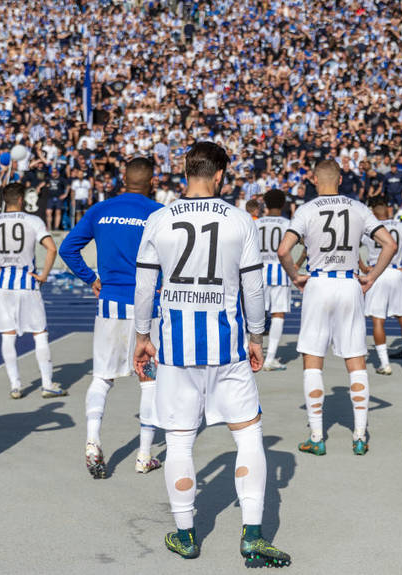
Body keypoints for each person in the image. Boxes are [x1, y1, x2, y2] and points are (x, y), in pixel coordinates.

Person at [133, 142, 290, 567]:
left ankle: (186, 535)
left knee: (180, 440)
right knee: (248, 435)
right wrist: (257, 336)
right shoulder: (241, 220)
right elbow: (254, 288)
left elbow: (146, 287)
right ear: (219, 174)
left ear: (186, 171)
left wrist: (142, 336)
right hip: (228, 347)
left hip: (176, 348)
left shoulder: (159, 218)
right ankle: (253, 536)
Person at [277, 160, 396, 456]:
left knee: (313, 358)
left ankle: (317, 436)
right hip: (348, 283)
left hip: (318, 283)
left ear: (314, 179)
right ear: (341, 179)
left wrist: (295, 276)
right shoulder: (358, 208)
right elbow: (389, 244)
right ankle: (359, 435)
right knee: (355, 359)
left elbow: (283, 250)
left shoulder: (306, 210)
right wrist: (371, 276)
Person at [59, 157, 164, 478]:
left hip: (110, 306)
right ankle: (144, 455)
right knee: (149, 380)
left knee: (102, 378)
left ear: (123, 180)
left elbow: (68, 249)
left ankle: (92, 441)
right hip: (148, 307)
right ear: (152, 183)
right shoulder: (157, 214)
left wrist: (90, 277)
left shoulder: (100, 210)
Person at [0, 182, 65, 399]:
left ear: (5, 199)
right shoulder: (33, 221)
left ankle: (15, 385)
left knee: (8, 334)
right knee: (39, 332)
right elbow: (52, 248)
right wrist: (43, 275)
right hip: (27, 281)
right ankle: (47, 383)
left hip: (3, 283)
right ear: (22, 199)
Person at [359, 199, 402, 375]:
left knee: (378, 319)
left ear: (373, 213)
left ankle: (384, 364)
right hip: (396, 272)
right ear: (388, 210)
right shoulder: (401, 226)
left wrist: (363, 267)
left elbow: (352, 245)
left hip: (376, 273)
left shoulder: (370, 228)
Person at [256, 189, 293, 371]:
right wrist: (296, 265)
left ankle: (251, 354)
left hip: (258, 272)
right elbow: (303, 246)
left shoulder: (256, 223)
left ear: (265, 203)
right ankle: (270, 358)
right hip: (280, 272)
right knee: (278, 314)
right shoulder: (288, 224)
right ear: (284, 203)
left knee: (254, 313)